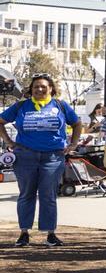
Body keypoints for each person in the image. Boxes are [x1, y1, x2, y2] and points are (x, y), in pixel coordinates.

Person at [0, 73, 81, 247]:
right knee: (26, 194)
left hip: (53, 157)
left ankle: (50, 234)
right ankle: (24, 233)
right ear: (31, 89)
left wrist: (73, 143)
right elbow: (1, 121)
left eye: (43, 86)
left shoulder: (61, 105)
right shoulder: (22, 106)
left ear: (51, 88)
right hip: (25, 156)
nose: (39, 89)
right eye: (36, 86)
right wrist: (9, 141)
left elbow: (77, 123)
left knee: (48, 195)